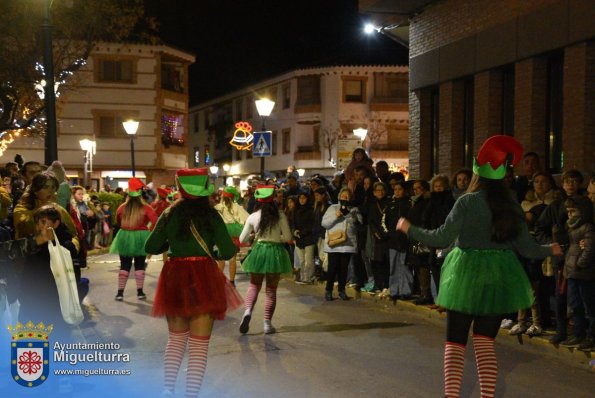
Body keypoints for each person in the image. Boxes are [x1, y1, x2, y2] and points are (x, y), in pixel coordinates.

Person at [397, 135, 561, 398]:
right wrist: (552, 249)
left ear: (476, 175)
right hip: (499, 276)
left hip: (465, 275)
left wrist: (409, 228)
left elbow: (441, 237)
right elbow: (528, 249)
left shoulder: (466, 202)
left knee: (455, 344)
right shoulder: (511, 207)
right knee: (485, 344)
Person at [145, 168, 242, 397]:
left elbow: (151, 246)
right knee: (199, 346)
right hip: (205, 278)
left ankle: (168, 390)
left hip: (175, 276)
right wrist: (216, 251)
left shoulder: (169, 213)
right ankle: (191, 394)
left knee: (176, 340)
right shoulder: (212, 215)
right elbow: (227, 251)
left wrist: (169, 246)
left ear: (180, 187)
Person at [238, 185, 293, 334]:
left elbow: (242, 239)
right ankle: (267, 324)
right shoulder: (280, 215)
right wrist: (276, 238)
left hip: (259, 251)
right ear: (273, 199)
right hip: (275, 252)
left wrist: (254, 236)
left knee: (254, 285)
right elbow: (288, 238)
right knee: (271, 289)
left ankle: (248, 311)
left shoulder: (253, 216)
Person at [109, 178, 157, 301]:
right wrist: (147, 230)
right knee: (140, 265)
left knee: (124, 265)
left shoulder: (121, 207)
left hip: (124, 236)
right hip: (141, 237)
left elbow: (117, 221)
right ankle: (140, 292)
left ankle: (120, 293)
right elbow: (156, 222)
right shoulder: (147, 208)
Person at [559, 196, 594, 351]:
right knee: (575, 305)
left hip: (583, 272)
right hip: (572, 272)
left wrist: (579, 264)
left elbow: (589, 249)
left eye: (573, 211)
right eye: (568, 212)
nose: (570, 215)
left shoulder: (587, 227)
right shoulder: (572, 227)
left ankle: (591, 336)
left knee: (589, 306)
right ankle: (578, 334)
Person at [322, 187, 362, 301]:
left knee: (344, 269)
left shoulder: (354, 209)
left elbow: (358, 225)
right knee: (332, 268)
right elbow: (324, 223)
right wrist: (337, 215)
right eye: (344, 196)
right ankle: (328, 290)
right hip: (334, 244)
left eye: (348, 196)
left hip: (348, 244)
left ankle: (341, 290)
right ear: (339, 196)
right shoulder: (332, 207)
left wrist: (349, 216)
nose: (346, 198)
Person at [214, 186, 249, 286]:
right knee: (232, 258)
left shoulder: (219, 207)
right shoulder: (237, 207)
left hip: (222, 233)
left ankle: (219, 280)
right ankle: (232, 281)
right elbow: (247, 218)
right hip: (234, 233)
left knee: (221, 257)